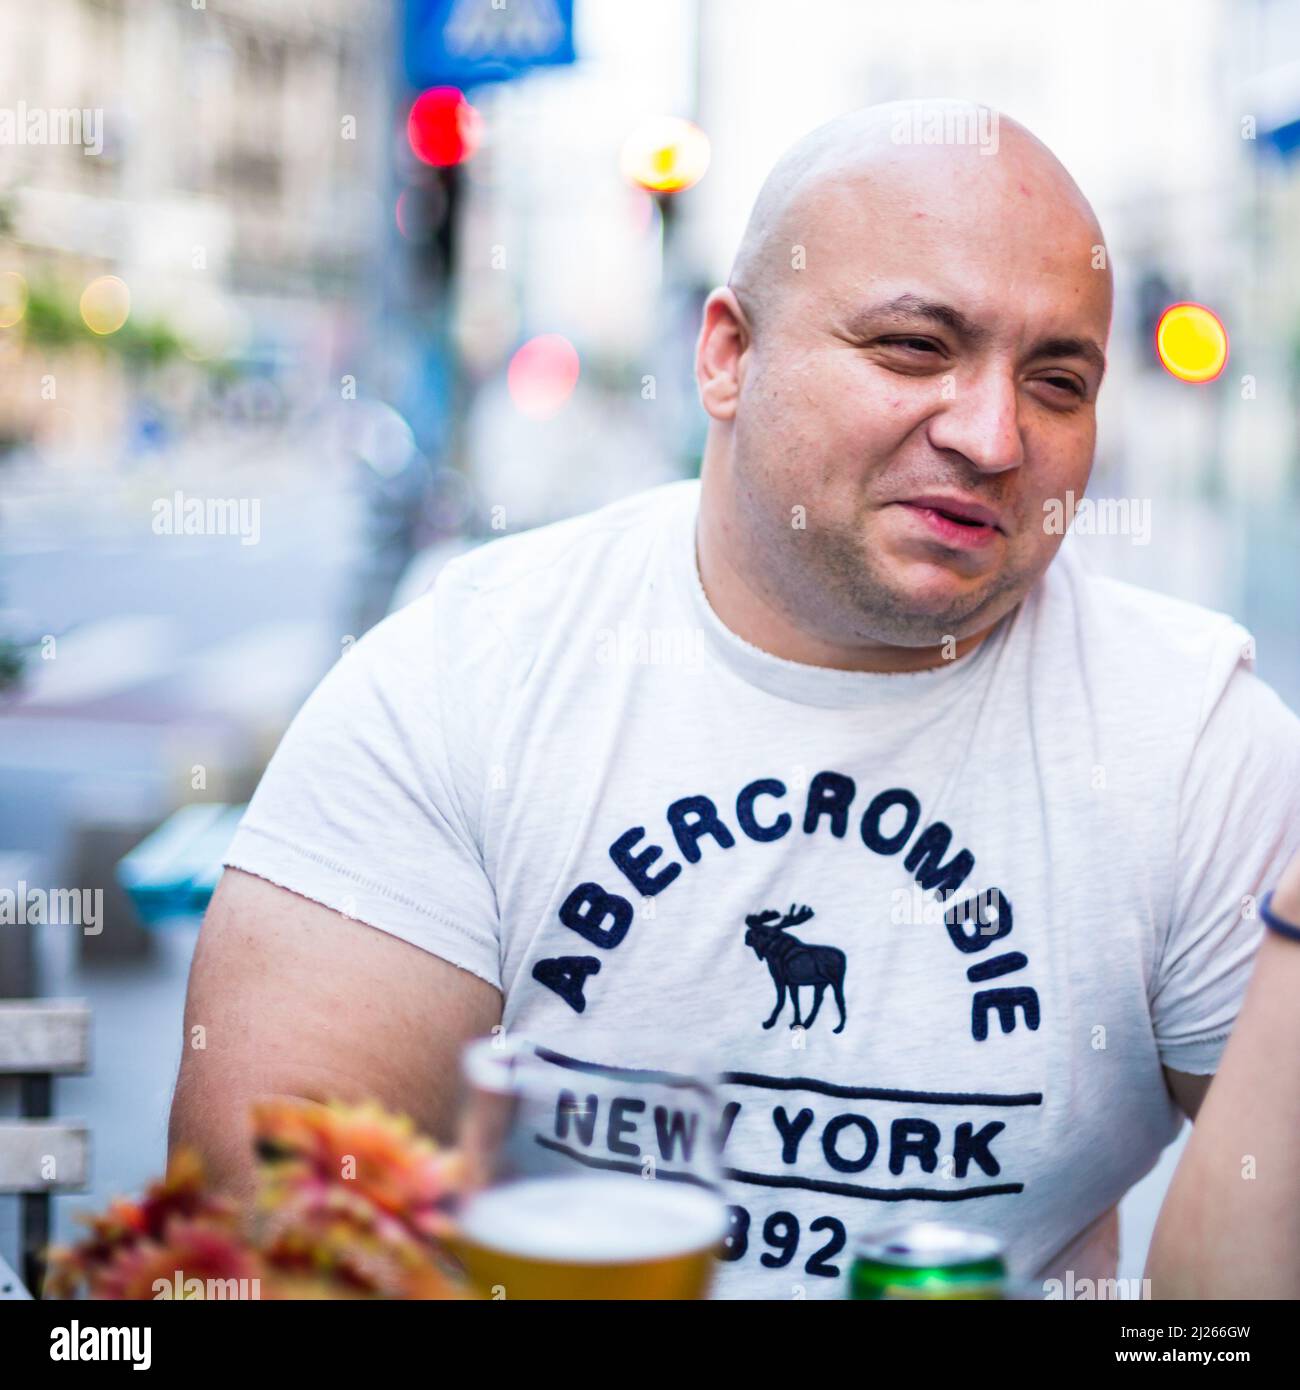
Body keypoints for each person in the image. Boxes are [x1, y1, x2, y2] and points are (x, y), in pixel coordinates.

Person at [170, 100, 1300, 1299]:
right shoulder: (465, 676)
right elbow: (266, 1241)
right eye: (914, 347)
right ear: (726, 355)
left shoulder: (1189, 738)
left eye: (1058, 380)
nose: (991, 436)